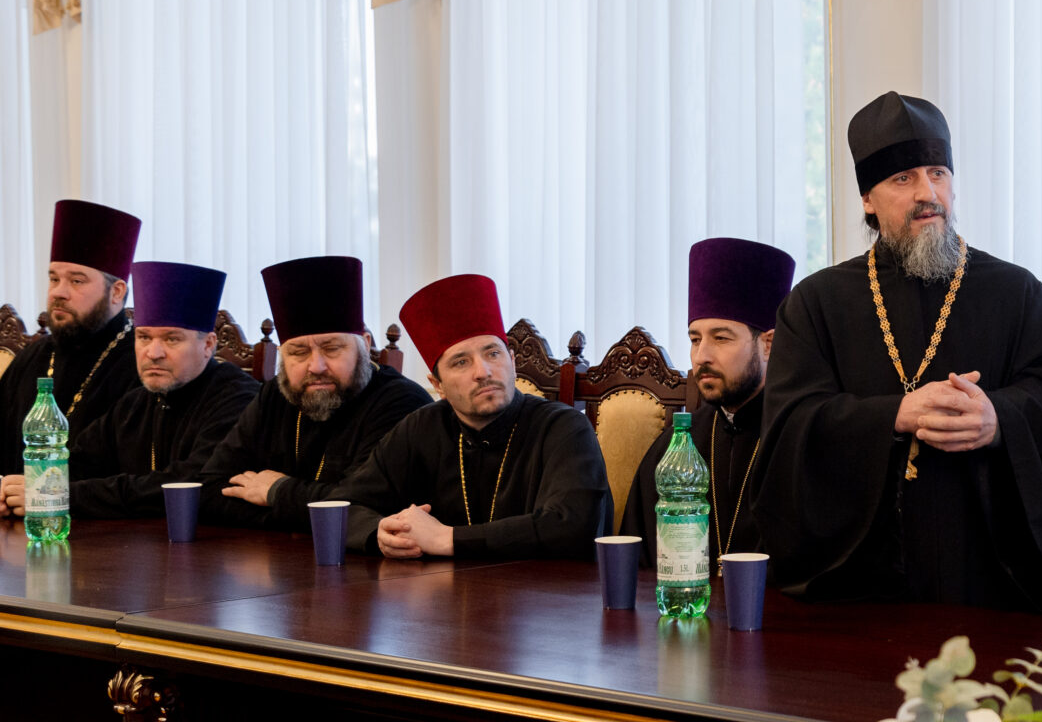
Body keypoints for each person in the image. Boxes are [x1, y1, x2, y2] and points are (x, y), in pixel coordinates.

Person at [755, 91, 1042, 610]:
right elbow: (789, 427)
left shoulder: (1018, 293)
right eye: (903, 178)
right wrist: (893, 416)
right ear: (867, 199)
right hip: (858, 592)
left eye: (938, 173)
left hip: (990, 586)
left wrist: (999, 419)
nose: (927, 193)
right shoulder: (815, 304)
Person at [329, 274, 610, 559]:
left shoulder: (564, 428)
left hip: (546, 587)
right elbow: (341, 507)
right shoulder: (421, 427)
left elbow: (571, 526)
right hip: (442, 586)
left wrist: (447, 538)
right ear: (438, 385)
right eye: (461, 362)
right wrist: (380, 532)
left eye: (493, 354)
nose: (483, 372)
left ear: (512, 362)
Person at [3, 261, 258, 519]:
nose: (154, 353)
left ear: (208, 345)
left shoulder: (238, 398)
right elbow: (80, 463)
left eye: (172, 339)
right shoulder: (137, 402)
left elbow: (188, 484)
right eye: (144, 337)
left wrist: (62, 496)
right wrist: (21, 490)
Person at [200, 256, 432, 530]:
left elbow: (365, 508)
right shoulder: (275, 394)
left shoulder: (402, 402)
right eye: (298, 352)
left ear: (364, 344)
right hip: (270, 554)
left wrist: (277, 492)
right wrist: (299, 513)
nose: (316, 366)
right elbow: (210, 490)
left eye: (332, 349)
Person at [619, 238, 795, 569]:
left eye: (721, 338)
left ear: (769, 345)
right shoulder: (674, 446)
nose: (701, 357)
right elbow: (638, 564)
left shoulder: (799, 438)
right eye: (695, 339)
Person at [0, 199, 144, 476]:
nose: (58, 292)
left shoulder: (141, 364)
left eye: (76, 281)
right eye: (54, 279)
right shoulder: (32, 357)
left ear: (116, 292)